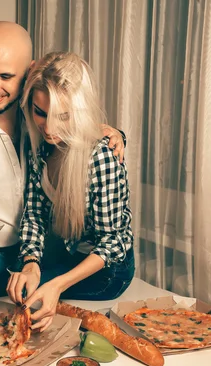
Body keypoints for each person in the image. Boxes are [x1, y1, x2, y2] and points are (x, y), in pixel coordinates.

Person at [0, 21, 126, 298]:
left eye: (5, 76)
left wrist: (112, 134)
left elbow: (71, 117)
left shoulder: (37, 108)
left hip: (33, 253)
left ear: (29, 72)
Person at [7, 51, 135, 332]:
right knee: (15, 286)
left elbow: (112, 243)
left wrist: (57, 284)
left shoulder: (101, 156)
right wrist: (31, 263)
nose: (49, 128)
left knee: (26, 301)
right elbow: (35, 214)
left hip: (108, 270)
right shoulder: (40, 145)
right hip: (70, 257)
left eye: (62, 116)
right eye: (40, 113)